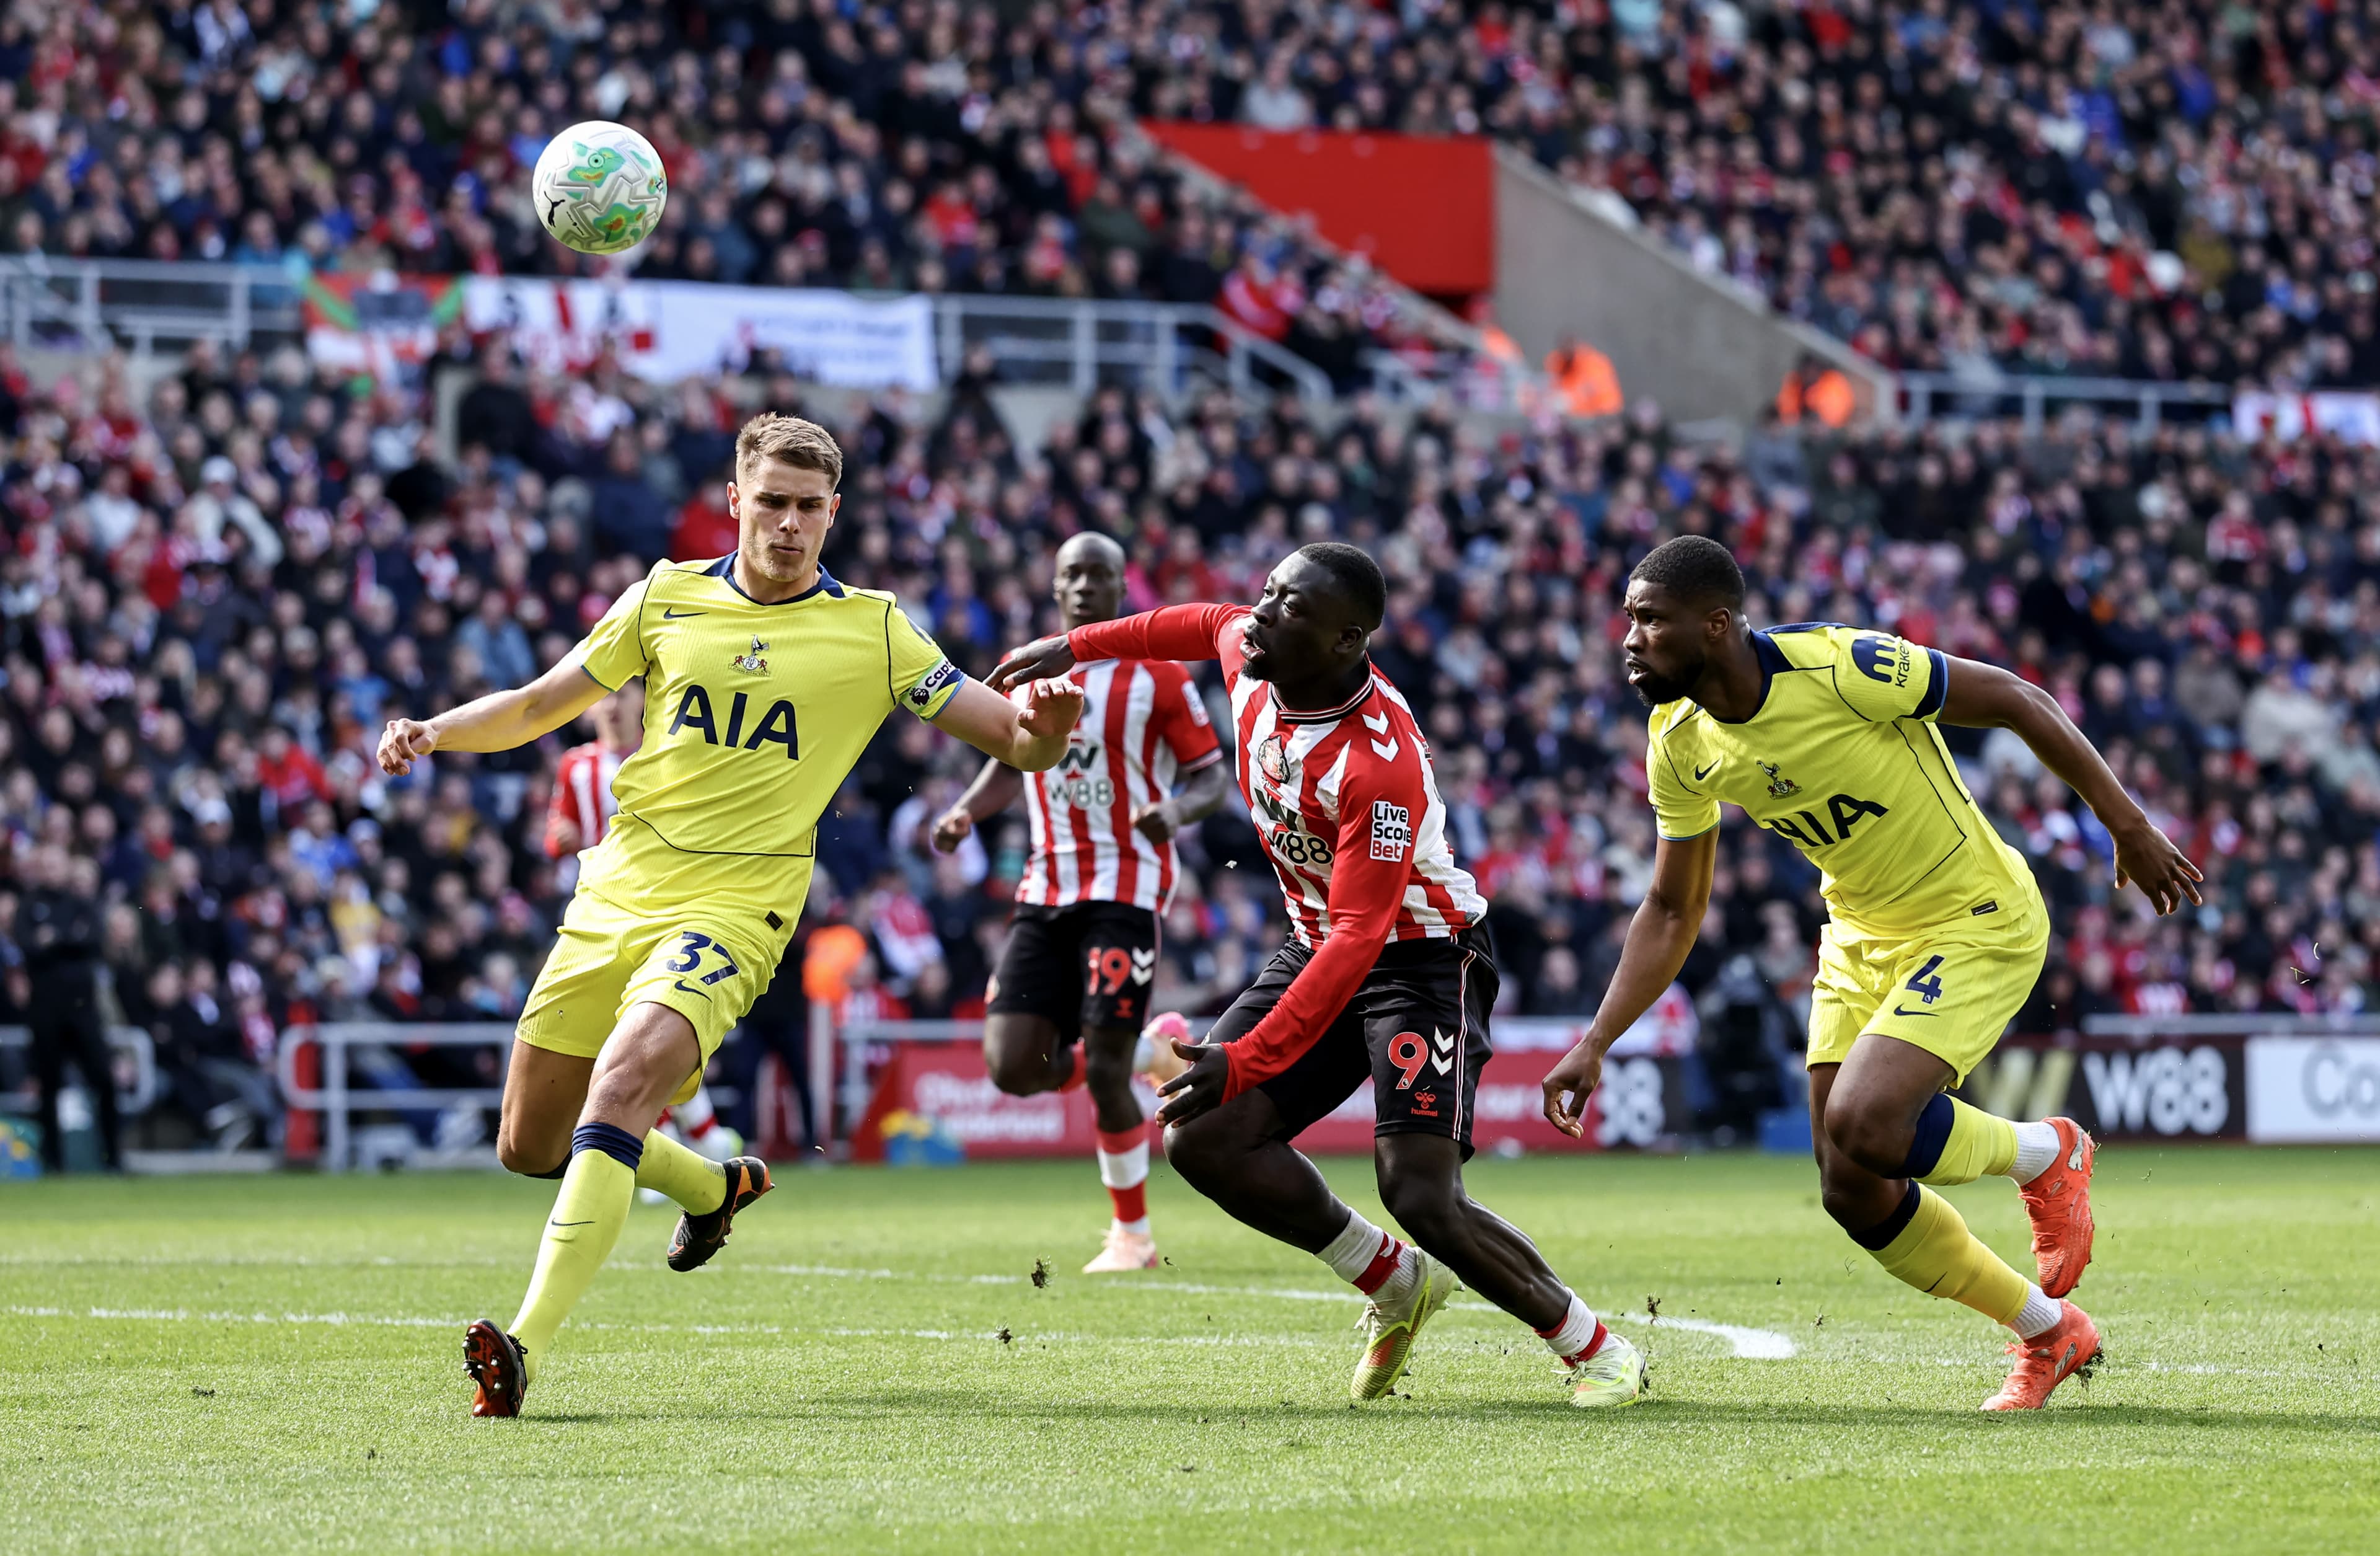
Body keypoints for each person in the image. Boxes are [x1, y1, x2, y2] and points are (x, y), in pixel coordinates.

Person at [376, 413, 1085, 1418]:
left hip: (742, 902)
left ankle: (520, 1347)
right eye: (773, 504)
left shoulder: (877, 629)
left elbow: (1010, 738)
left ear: (833, 513)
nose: (789, 525)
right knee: (530, 1146)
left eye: (809, 508)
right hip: (618, 889)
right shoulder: (664, 597)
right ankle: (713, 1189)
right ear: (736, 502)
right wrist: (431, 734)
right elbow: (540, 705)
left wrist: (1045, 736)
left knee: (623, 1084)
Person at [1540, 536, 2203, 1411]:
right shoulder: (1679, 743)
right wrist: (1596, 1038)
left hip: (1975, 915)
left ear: (1717, 624)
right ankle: (2050, 1330)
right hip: (1859, 933)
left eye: (1650, 619)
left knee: (1869, 1119)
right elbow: (1671, 909)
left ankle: (2048, 1153)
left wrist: (2126, 823)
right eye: (1627, 618)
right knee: (1851, 1185)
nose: (1629, 637)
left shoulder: (1841, 665)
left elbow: (2016, 697)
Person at [989, 544, 1646, 1407]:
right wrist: (1077, 647)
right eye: (1267, 591)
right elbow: (1196, 622)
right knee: (1204, 1137)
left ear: (1345, 641)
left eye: (1289, 608)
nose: (1258, 614)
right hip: (1318, 940)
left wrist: (1249, 1056)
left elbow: (1359, 934)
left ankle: (1597, 1350)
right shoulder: (1253, 663)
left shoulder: (1379, 764)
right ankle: (1393, 1280)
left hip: (1417, 957)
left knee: (1419, 1189)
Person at [930, 533, 1232, 1273]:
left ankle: (1132, 1236)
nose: (1087, 585)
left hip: (1127, 886)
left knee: (1100, 1068)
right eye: (1074, 573)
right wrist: (968, 810)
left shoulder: (1158, 676)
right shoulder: (1029, 669)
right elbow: (1010, 756)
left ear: (1121, 585)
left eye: (1101, 573)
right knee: (1012, 1064)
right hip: (1046, 886)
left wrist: (1178, 813)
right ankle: (1151, 1052)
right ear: (1056, 583)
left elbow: (1209, 776)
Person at [544, 683, 738, 1167]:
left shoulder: (660, 754)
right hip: (595, 909)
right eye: (603, 699)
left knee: (648, 1025)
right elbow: (555, 830)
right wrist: (559, 838)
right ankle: (703, 1138)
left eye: (622, 697)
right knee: (626, 1033)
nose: (611, 707)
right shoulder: (576, 765)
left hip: (657, 905)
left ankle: (668, 1145)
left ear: (642, 704)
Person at [16, 846, 121, 1173]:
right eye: (45, 865)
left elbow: (91, 940)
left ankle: (113, 1157)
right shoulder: (30, 905)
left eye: (55, 864)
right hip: (46, 1010)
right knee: (48, 1085)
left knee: (103, 1079)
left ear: (66, 867)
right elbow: (28, 946)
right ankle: (53, 1160)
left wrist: (54, 939)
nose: (50, 871)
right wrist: (66, 940)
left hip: (82, 1009)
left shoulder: (82, 904)